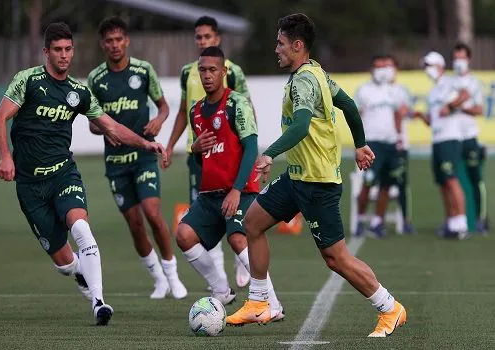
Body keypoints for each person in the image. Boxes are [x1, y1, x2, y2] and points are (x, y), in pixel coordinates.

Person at [226, 14, 407, 338]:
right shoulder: (317, 73)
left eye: (281, 43)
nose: (276, 48)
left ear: (298, 45)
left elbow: (301, 125)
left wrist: (268, 154)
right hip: (298, 178)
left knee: (336, 258)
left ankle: (389, 307)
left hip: (318, 184)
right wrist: (361, 144)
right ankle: (258, 301)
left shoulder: (306, 81)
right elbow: (349, 105)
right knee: (251, 223)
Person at [0, 22, 166, 325]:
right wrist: (5, 157)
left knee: (81, 228)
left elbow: (111, 126)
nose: (63, 55)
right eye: (57, 50)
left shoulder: (79, 92)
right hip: (30, 186)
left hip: (63, 174)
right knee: (63, 263)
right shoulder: (28, 80)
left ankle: (99, 303)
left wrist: (145, 143)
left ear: (73, 51)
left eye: (68, 49)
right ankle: (79, 275)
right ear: (46, 52)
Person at [173, 46, 285, 321]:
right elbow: (203, 161)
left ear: (224, 72)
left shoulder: (237, 104)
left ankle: (273, 304)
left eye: (213, 70)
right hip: (210, 194)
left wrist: (236, 190)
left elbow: (250, 148)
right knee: (184, 235)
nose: (207, 75)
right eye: (203, 70)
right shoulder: (196, 111)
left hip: (240, 190)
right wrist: (196, 150)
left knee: (238, 238)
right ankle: (222, 291)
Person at [87, 16, 187, 299]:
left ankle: (173, 275)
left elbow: (165, 106)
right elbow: (92, 122)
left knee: (153, 213)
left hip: (143, 156)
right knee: (134, 224)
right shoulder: (96, 79)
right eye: (109, 41)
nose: (115, 45)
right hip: (116, 164)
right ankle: (158, 279)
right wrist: (102, 129)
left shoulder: (143, 71)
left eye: (119, 40)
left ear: (127, 41)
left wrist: (158, 120)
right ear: (103, 45)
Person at [164, 16, 250, 289]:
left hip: (229, 154)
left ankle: (243, 259)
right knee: (200, 222)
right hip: (200, 155)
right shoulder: (187, 72)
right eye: (198, 38)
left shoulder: (232, 71)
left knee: (235, 222)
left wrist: (256, 149)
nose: (203, 42)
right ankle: (220, 283)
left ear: (218, 39)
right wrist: (171, 145)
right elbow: (182, 111)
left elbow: (246, 109)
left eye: (207, 37)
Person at [415, 51, 469, 239]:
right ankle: (451, 222)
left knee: (451, 179)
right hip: (438, 140)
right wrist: (421, 116)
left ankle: (461, 223)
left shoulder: (449, 82)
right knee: (443, 182)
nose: (427, 70)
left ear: (439, 65)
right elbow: (433, 120)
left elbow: (464, 94)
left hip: (450, 138)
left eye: (429, 65)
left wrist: (451, 106)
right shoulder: (434, 90)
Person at [354, 55, 405, 237]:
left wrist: (399, 137)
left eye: (384, 67)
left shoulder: (393, 91)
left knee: (387, 184)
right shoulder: (363, 91)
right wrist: (358, 142)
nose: (381, 70)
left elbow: (398, 114)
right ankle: (359, 219)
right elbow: (355, 116)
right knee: (369, 182)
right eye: (378, 66)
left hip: (390, 143)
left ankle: (378, 221)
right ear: (371, 69)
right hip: (372, 142)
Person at [451, 43, 488, 234]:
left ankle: (481, 218)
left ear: (469, 59)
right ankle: (455, 220)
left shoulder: (474, 82)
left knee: (475, 178)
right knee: (451, 179)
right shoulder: (448, 82)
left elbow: (479, 109)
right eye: (455, 58)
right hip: (452, 137)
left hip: (469, 136)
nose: (458, 62)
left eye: (462, 58)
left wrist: (460, 107)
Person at [386, 55, 415, 234]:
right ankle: (375, 221)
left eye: (390, 66)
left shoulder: (401, 91)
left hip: (399, 144)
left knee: (402, 182)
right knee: (382, 182)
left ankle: (405, 220)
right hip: (380, 144)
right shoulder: (372, 90)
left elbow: (404, 111)